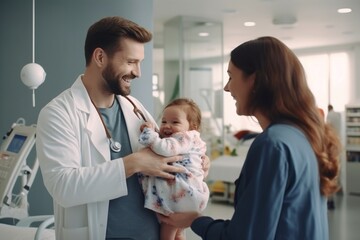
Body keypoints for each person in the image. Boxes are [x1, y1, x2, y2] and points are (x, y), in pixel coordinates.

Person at [35, 16, 210, 240]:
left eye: (140, 62)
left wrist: (201, 161)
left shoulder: (134, 107)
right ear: (100, 57)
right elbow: (63, 187)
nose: (138, 72)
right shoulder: (58, 113)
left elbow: (171, 154)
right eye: (130, 62)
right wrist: (132, 164)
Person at [159, 36, 341, 239]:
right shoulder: (304, 135)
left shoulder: (273, 144)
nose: (227, 88)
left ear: (254, 80)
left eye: (231, 77)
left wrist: (195, 221)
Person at [138, 98, 210, 240]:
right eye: (164, 121)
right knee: (177, 232)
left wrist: (149, 132)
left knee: (168, 227)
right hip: (189, 195)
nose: (167, 126)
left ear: (192, 127)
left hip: (183, 194)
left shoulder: (185, 137)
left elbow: (165, 148)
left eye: (175, 122)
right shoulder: (191, 139)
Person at [326, 104, 343, 209]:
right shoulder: (338, 115)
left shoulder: (330, 116)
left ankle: (331, 202)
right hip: (337, 145)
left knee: (330, 176)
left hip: (332, 146)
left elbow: (328, 127)